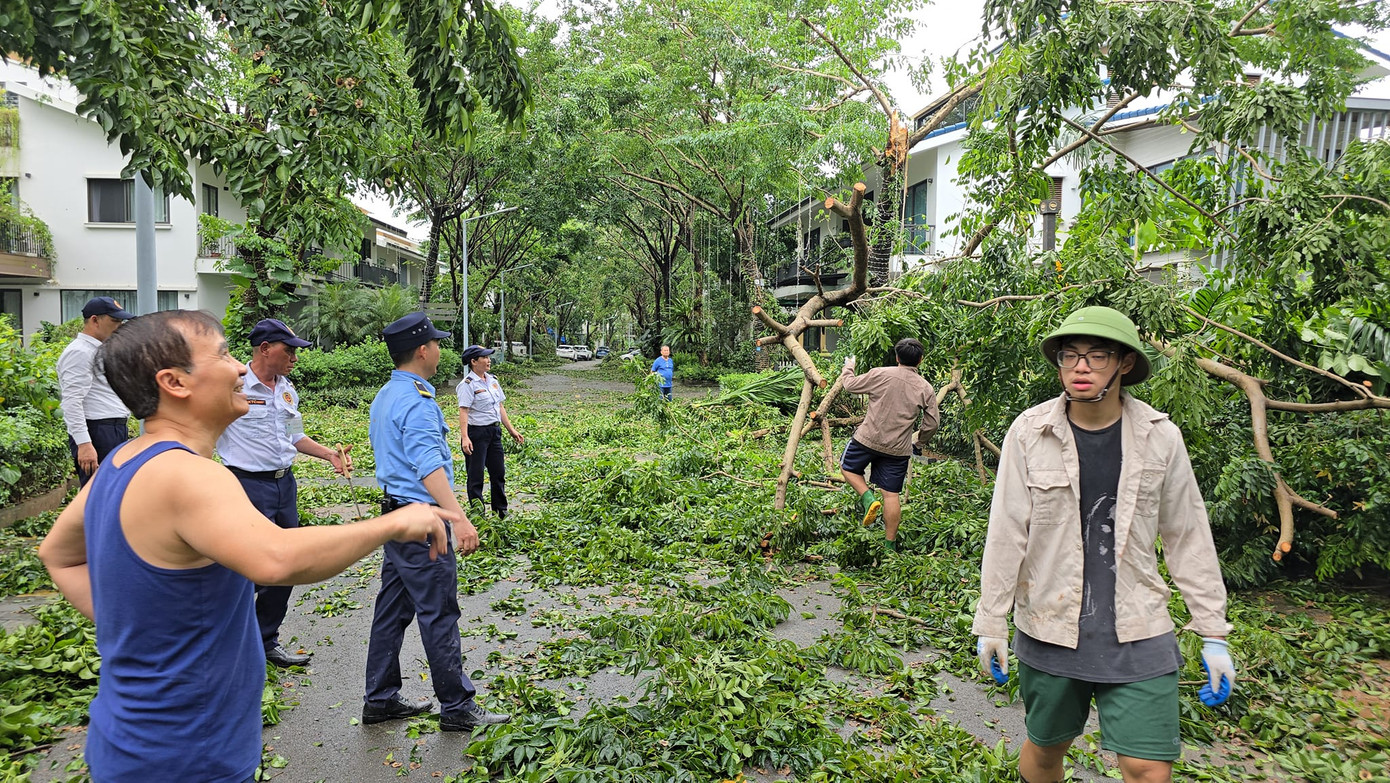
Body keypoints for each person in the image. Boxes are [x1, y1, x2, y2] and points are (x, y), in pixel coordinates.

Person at [37, 310, 454, 783]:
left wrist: (142, 629)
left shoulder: (125, 459)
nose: (238, 367)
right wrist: (395, 523)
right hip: (187, 751)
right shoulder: (189, 474)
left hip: (132, 740)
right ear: (175, 382)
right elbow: (276, 558)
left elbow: (59, 554)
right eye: (222, 354)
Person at [973, 306, 1235, 783]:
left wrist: (1212, 632)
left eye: (1096, 356)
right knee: (1047, 751)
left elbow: (1187, 534)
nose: (1080, 367)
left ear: (1124, 364)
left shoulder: (1162, 437)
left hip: (1139, 626)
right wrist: (991, 620)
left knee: (1147, 767)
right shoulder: (1030, 432)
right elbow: (1007, 530)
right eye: (1070, 356)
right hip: (1050, 624)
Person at [363, 314, 511, 731]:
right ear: (423, 350)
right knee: (439, 610)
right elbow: (429, 467)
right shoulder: (416, 401)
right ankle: (456, 706)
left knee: (392, 609)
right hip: (423, 521)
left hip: (396, 515)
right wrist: (459, 519)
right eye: (437, 344)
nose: (441, 351)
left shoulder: (386, 395)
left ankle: (380, 698)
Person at [216, 318, 352, 668]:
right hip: (246, 485)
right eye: (288, 350)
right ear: (265, 349)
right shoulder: (232, 387)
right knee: (248, 567)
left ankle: (265, 640)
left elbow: (294, 435)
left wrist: (329, 455)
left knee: (287, 565)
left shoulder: (287, 390)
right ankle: (233, 643)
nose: (294, 357)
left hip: (282, 485)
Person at [837, 337, 939, 551]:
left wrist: (849, 367)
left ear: (897, 357)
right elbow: (932, 423)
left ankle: (867, 497)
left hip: (867, 439)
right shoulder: (925, 387)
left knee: (847, 467)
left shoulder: (880, 373)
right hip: (898, 449)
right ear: (920, 360)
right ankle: (889, 547)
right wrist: (920, 441)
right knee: (892, 495)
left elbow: (850, 385)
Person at [57, 296, 134, 485]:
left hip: (112, 428)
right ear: (94, 320)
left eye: (121, 321)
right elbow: (72, 401)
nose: (120, 326)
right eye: (114, 321)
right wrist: (84, 444)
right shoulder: (80, 352)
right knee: (97, 495)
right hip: (98, 431)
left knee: (112, 493)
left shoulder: (99, 349)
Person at [457, 345, 524, 520]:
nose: (488, 361)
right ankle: (478, 514)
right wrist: (465, 437)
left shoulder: (493, 380)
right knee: (476, 476)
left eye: (488, 357)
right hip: (476, 434)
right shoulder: (467, 385)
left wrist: (511, 430)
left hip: (494, 432)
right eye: (484, 357)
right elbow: (463, 410)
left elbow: (499, 406)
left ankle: (501, 510)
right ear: (473, 362)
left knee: (498, 473)